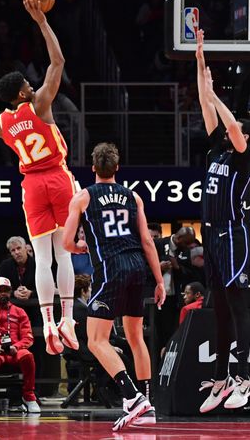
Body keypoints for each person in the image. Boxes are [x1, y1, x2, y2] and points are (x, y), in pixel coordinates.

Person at [0, 0, 77, 356]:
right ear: (23, 92)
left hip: (31, 186)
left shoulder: (2, 122)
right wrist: (42, 22)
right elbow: (58, 60)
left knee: (42, 258)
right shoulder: (40, 104)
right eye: (28, 83)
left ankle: (46, 323)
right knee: (66, 254)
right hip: (57, 177)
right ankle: (68, 320)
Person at [62, 142, 165, 431]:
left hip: (111, 269)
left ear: (93, 167)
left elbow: (67, 242)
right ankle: (147, 402)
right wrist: (158, 280)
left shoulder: (82, 197)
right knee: (135, 337)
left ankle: (132, 397)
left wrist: (83, 247)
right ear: (117, 168)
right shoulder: (133, 196)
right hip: (137, 268)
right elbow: (147, 241)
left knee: (96, 340)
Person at [193, 31, 250, 414]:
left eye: (238, 131)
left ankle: (244, 378)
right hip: (211, 233)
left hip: (232, 233)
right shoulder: (217, 148)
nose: (231, 132)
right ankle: (220, 377)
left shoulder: (243, 155)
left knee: (236, 305)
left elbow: (232, 127)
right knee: (217, 307)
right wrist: (201, 60)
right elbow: (205, 102)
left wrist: (218, 96)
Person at [0, 277, 39, 413]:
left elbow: (28, 337)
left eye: (6, 290)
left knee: (27, 355)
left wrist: (17, 347)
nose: (3, 293)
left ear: (10, 292)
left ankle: (29, 396)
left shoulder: (20, 312)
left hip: (14, 351)